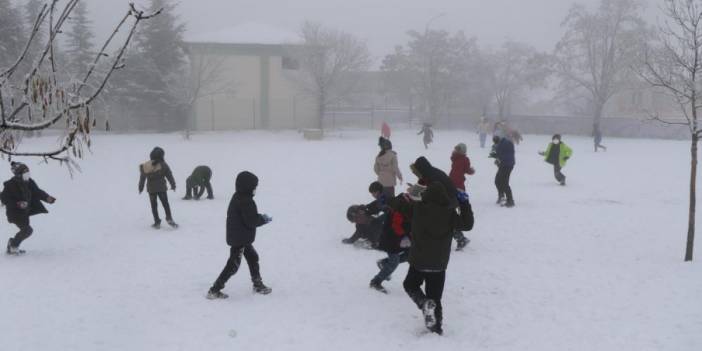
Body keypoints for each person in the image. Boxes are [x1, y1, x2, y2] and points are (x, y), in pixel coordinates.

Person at [390, 180, 474, 335]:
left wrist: (402, 197)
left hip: (418, 261)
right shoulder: (449, 214)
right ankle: (436, 329)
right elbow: (467, 225)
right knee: (435, 297)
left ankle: (423, 303)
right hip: (439, 264)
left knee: (410, 285)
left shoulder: (417, 209)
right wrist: (465, 203)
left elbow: (398, 206)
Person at [207, 171, 273, 299]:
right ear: (248, 187)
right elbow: (251, 220)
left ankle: (257, 284)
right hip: (240, 239)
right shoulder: (246, 201)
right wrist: (263, 219)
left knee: (253, 257)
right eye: (254, 187)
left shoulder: (238, 196)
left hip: (240, 236)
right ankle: (214, 290)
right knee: (233, 265)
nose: (255, 189)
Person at [2, 162, 56, 255]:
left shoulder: (29, 182)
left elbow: (37, 191)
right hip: (14, 213)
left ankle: (12, 244)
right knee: (27, 230)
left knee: (26, 230)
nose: (27, 175)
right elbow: (4, 198)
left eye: (28, 173)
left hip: (24, 212)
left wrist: (47, 198)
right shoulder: (10, 185)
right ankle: (13, 246)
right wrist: (18, 204)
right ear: (19, 175)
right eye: (25, 173)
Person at [369, 193, 412, 294]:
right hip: (391, 240)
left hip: (400, 238)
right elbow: (396, 226)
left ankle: (384, 263)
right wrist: (404, 236)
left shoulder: (406, 204)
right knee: (394, 262)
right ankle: (376, 281)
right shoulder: (400, 208)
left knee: (410, 255)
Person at [138, 147, 178, 229]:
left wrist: (140, 187)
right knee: (165, 204)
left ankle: (157, 222)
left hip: (151, 190)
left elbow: (142, 178)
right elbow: (169, 175)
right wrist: (173, 184)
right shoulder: (163, 164)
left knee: (154, 205)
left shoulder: (146, 166)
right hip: (161, 189)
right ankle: (169, 218)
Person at [342, 182, 386, 249]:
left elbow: (378, 207)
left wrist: (375, 243)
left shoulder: (372, 220)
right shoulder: (360, 225)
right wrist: (350, 240)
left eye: (356, 219)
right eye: (354, 220)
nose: (356, 221)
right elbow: (357, 234)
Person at [449, 143, 474, 250]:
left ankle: (460, 238)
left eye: (458, 149)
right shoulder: (455, 158)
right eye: (456, 148)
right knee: (450, 213)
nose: (455, 150)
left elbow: (466, 170)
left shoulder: (464, 159)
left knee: (450, 214)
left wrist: (470, 171)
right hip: (451, 186)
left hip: (458, 188)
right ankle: (459, 237)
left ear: (462, 151)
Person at [490, 136, 515, 207]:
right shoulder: (503, 143)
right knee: (497, 181)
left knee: (504, 183)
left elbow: (505, 155)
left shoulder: (503, 145)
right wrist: (497, 156)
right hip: (505, 164)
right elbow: (504, 154)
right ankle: (501, 196)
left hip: (507, 165)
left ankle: (510, 200)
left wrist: (497, 156)